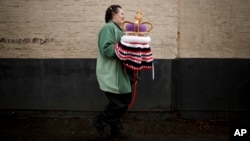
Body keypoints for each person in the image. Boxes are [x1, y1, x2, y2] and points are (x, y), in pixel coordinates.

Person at [93, 5, 134, 140]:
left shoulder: (117, 29)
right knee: (119, 102)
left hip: (119, 73)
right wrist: (125, 46)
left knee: (123, 100)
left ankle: (116, 130)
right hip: (111, 72)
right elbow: (106, 49)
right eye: (121, 13)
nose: (123, 16)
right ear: (113, 15)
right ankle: (99, 121)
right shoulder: (108, 28)